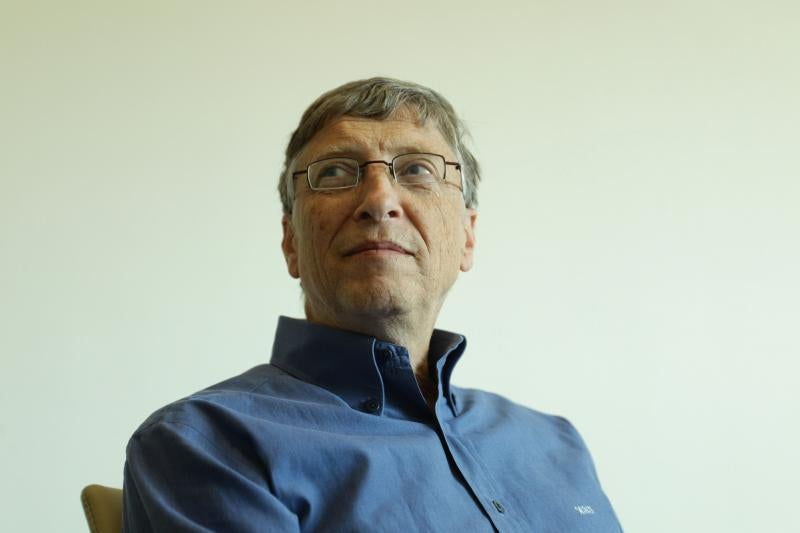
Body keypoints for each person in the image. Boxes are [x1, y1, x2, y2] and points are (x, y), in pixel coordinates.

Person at [122, 77, 622, 532]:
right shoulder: (208, 444)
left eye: (417, 169)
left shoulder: (558, 444)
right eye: (335, 172)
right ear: (291, 242)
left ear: (467, 236)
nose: (379, 200)